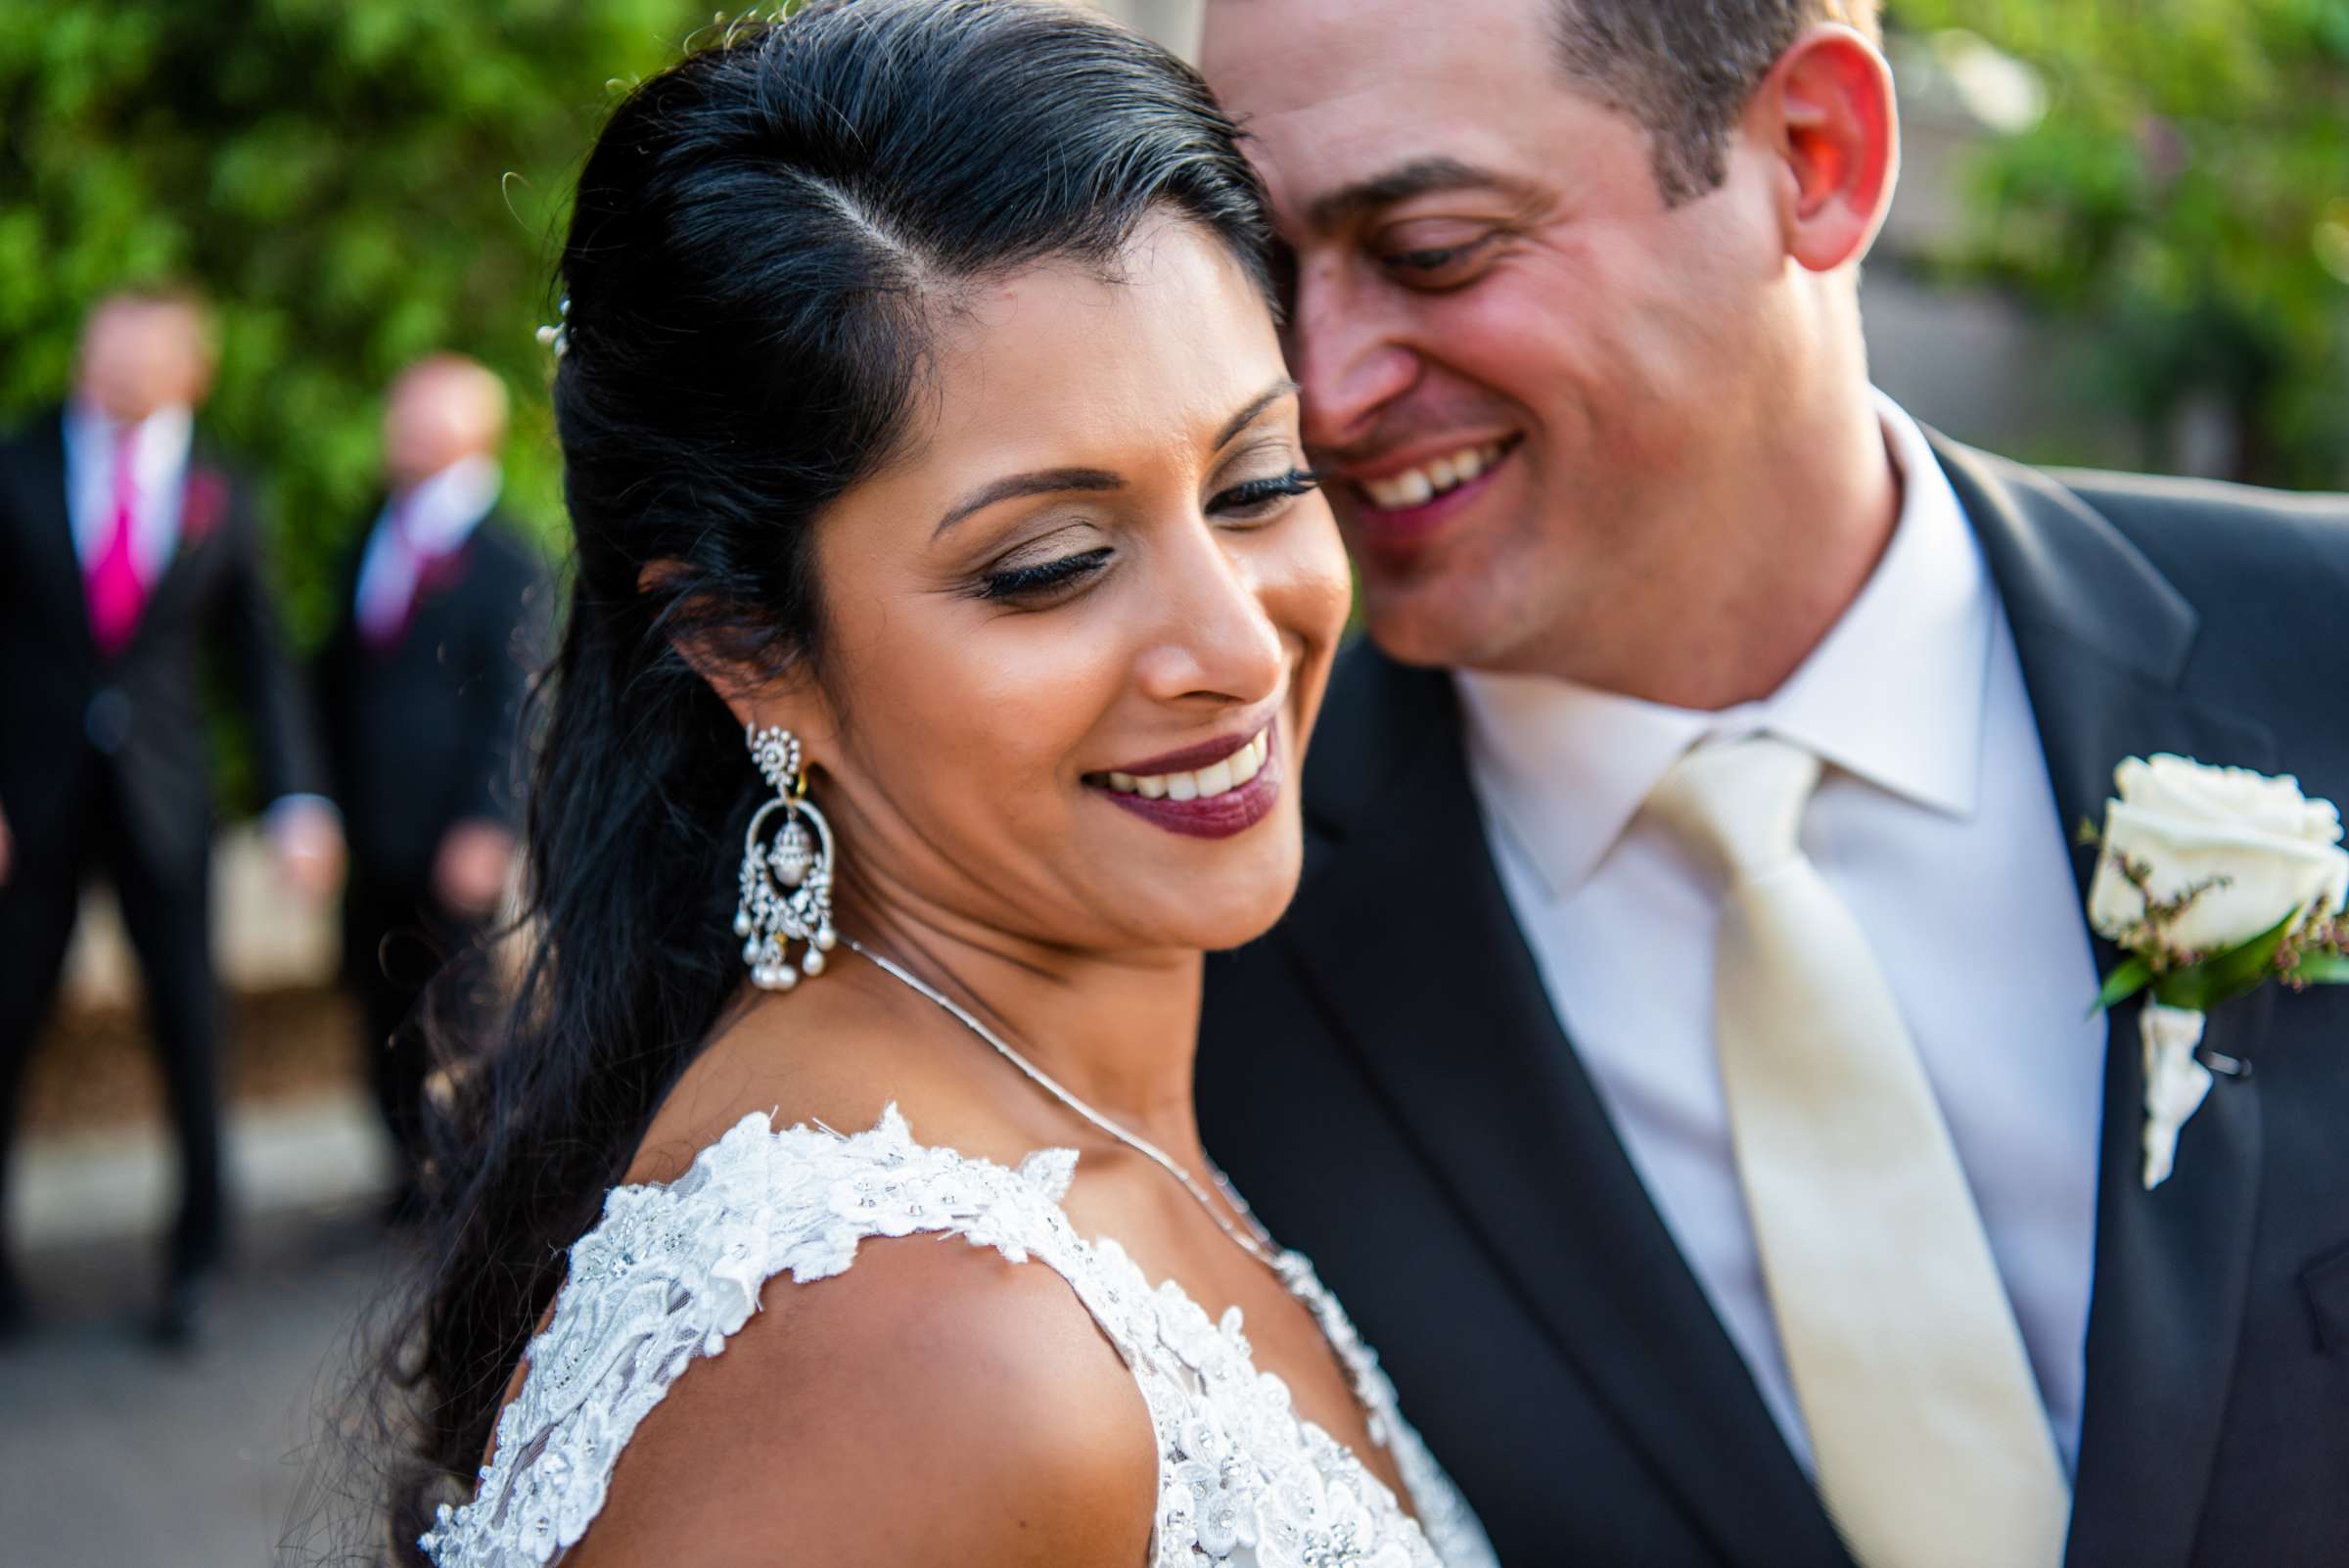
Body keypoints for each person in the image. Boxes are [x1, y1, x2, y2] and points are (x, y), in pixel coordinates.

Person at [1192, 2, 2349, 1566]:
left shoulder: (2319, 659)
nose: (1318, 394)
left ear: (1818, 156)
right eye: (1262, 274)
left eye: (1435, 247)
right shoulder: (1197, 924)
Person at [391, 5, 1496, 1565]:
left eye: (1260, 483)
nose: (1235, 644)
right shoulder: (918, 1346)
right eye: (1050, 566)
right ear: (745, 649)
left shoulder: (1093, 1109)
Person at [0, 288, 343, 1347]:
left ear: (187, 372)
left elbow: (261, 661)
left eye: (137, 359)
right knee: (6, 1022)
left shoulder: (219, 488)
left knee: (191, 1028)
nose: (110, 374)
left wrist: (297, 798)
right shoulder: (17, 463)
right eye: (101, 353)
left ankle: (197, 1260)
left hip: (164, 800)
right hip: (32, 800)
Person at [318, 354, 546, 1216]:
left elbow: (516, 698)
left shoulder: (506, 556)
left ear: (469, 434)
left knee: (458, 1007)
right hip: (374, 821)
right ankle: (407, 1167)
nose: (396, 435)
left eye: (416, 420)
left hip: (454, 829)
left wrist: (489, 822)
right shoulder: (373, 533)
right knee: (378, 999)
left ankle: (474, 1177)